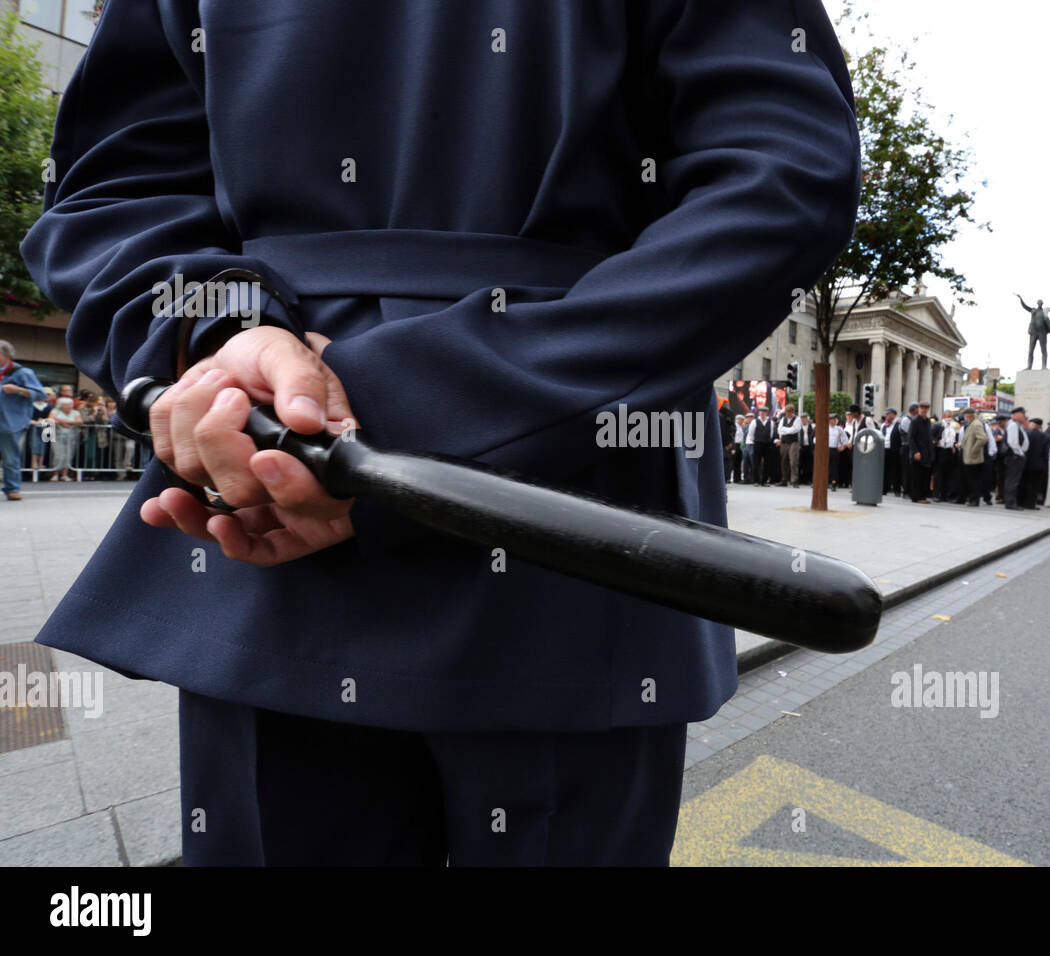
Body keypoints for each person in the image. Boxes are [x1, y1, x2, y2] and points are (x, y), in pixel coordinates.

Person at [19, 0, 861, 866]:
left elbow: (113, 192)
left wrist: (231, 350)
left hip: (293, 479)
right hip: (569, 505)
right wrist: (342, 390)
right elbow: (783, 180)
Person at [0, 341, 48, 500]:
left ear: (4, 355)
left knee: (10, 457)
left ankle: (12, 488)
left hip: (10, 422)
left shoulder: (22, 373)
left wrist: (18, 390)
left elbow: (41, 394)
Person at [1002, 407, 1030, 510]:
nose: (1024, 416)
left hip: (1016, 456)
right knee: (1012, 480)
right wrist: (1020, 452)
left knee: (1013, 480)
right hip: (1015, 456)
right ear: (1017, 414)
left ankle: (1011, 501)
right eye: (1023, 414)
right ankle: (1010, 503)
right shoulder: (1013, 424)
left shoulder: (1016, 424)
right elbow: (1012, 442)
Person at [959, 408, 987, 506]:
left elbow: (983, 439)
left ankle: (974, 500)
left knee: (974, 480)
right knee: (971, 479)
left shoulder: (976, 424)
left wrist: (973, 450)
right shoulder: (972, 424)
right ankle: (972, 498)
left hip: (973, 458)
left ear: (969, 416)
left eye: (965, 416)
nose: (965, 418)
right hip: (969, 457)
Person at [909, 401, 935, 503]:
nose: (924, 410)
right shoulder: (915, 421)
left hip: (927, 452)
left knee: (925, 475)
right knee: (917, 476)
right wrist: (915, 451)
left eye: (926, 408)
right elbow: (911, 437)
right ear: (919, 409)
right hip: (918, 452)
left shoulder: (928, 421)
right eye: (922, 408)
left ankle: (922, 496)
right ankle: (916, 497)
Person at [748, 406, 778, 487]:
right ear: (759, 412)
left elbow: (771, 433)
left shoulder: (771, 422)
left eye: (764, 412)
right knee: (756, 462)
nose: (762, 413)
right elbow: (751, 433)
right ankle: (756, 481)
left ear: (766, 413)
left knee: (767, 463)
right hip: (757, 443)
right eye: (761, 412)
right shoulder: (755, 421)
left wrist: (769, 440)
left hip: (767, 444)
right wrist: (755, 441)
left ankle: (764, 481)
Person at [776, 404, 801, 487]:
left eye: (790, 412)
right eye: (787, 412)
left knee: (793, 461)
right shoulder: (783, 419)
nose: (788, 414)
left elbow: (796, 430)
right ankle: (784, 480)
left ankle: (794, 481)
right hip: (784, 442)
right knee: (783, 461)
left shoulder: (797, 419)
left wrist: (785, 429)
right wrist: (789, 430)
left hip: (793, 442)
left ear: (793, 412)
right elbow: (779, 430)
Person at [880, 408, 902, 496]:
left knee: (895, 470)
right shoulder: (883, 425)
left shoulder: (898, 425)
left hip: (894, 450)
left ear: (893, 415)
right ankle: (884, 489)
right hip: (885, 449)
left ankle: (897, 490)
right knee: (885, 470)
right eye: (886, 414)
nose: (887, 416)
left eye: (889, 414)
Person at [826, 413, 847, 491]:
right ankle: (827, 482)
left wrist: (843, 446)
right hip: (827, 449)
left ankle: (833, 483)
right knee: (827, 466)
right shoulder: (825, 428)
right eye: (832, 420)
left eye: (834, 420)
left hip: (835, 449)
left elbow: (845, 438)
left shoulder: (839, 429)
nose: (833, 421)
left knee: (834, 467)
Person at [797, 412, 813, 485]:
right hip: (801, 447)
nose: (803, 419)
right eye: (802, 418)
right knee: (800, 464)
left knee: (809, 464)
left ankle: (807, 479)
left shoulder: (811, 427)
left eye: (805, 418)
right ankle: (800, 479)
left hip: (809, 447)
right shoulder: (799, 427)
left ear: (807, 419)